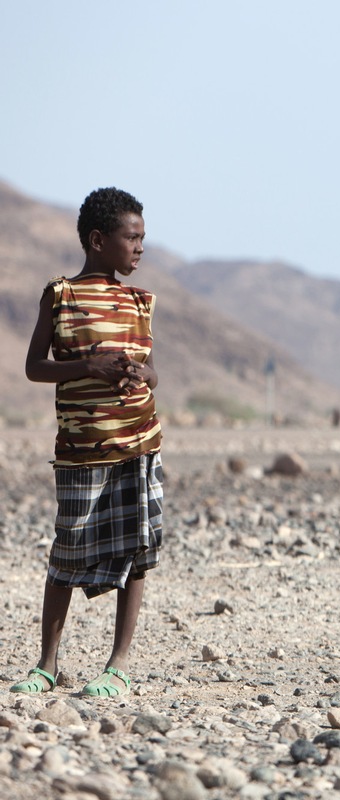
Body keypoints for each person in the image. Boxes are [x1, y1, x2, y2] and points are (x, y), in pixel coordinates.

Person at [11, 187, 163, 697]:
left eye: (143, 237)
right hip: (81, 449)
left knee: (137, 550)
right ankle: (46, 664)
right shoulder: (61, 295)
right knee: (68, 550)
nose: (141, 246)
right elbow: (34, 367)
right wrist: (89, 367)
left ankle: (117, 666)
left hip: (139, 443)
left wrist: (140, 372)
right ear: (98, 241)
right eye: (132, 237)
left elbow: (154, 374)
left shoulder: (140, 301)